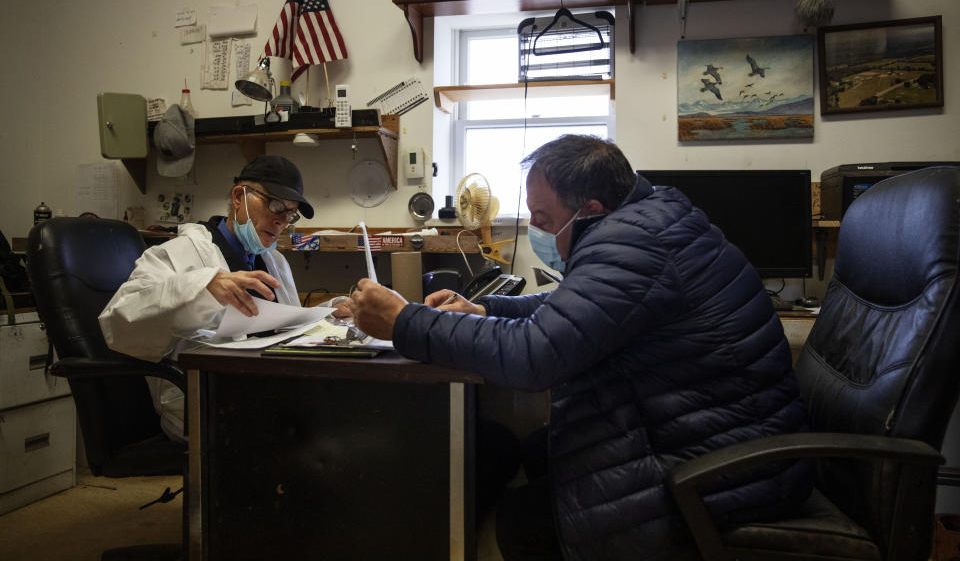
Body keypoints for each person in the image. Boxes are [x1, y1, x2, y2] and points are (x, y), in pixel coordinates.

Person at [347, 135, 812, 561]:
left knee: (519, 520)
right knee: (534, 450)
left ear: (590, 209)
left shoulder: (633, 243)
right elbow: (573, 305)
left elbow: (534, 357)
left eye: (544, 220)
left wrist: (404, 321)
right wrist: (486, 311)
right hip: (724, 444)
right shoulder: (650, 219)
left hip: (727, 475)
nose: (537, 230)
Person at [99, 154, 313, 440]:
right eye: (275, 205)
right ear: (239, 197)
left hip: (264, 391)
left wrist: (332, 314)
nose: (280, 221)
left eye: (289, 214)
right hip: (203, 401)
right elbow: (119, 324)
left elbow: (288, 330)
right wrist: (202, 288)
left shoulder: (274, 261)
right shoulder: (180, 253)